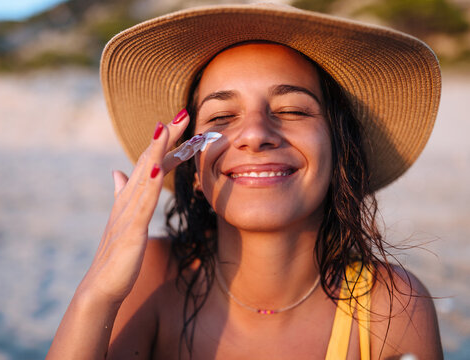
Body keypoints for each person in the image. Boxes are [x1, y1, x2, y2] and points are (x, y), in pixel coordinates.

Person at [47, 3, 443, 359]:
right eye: (220, 118)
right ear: (195, 170)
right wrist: (98, 293)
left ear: (340, 150)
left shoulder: (391, 307)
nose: (255, 134)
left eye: (291, 109)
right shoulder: (151, 278)